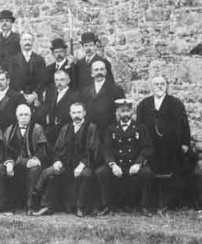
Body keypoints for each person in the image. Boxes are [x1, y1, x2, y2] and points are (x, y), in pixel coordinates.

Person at [31, 103, 99, 217]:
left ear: (84, 113)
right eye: (74, 113)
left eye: (79, 112)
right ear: (70, 114)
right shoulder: (65, 128)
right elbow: (57, 149)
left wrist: (82, 165)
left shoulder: (91, 127)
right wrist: (57, 161)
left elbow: (92, 150)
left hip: (85, 164)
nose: (76, 115)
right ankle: (46, 205)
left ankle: (81, 207)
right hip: (66, 164)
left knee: (85, 175)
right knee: (49, 173)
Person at [136, 76, 192, 210]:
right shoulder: (144, 104)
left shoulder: (176, 103)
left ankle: (168, 204)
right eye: (156, 84)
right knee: (151, 173)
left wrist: (185, 143)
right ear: (151, 87)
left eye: (162, 84)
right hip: (151, 147)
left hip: (170, 148)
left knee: (171, 173)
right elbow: (138, 125)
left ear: (167, 86)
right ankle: (151, 203)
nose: (159, 86)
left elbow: (184, 124)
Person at [96, 99, 153, 216]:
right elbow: (107, 149)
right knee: (101, 172)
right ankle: (107, 205)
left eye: (128, 111)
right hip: (118, 164)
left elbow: (147, 148)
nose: (125, 114)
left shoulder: (140, 127)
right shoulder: (111, 128)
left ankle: (144, 206)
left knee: (146, 173)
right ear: (118, 112)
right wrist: (112, 165)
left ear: (132, 112)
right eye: (123, 111)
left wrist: (138, 163)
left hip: (134, 163)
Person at [0, 105, 48, 214]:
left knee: (35, 169)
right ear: (16, 116)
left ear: (30, 115)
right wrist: (9, 162)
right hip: (14, 161)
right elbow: (5, 150)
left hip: (30, 161)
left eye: (26, 114)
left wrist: (36, 159)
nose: (23, 117)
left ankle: (31, 206)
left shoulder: (37, 128)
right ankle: (2, 205)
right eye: (21, 115)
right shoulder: (9, 130)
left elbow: (42, 149)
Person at [80, 60, 125, 135]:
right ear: (92, 73)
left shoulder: (116, 89)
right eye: (96, 70)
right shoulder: (86, 91)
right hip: (91, 131)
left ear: (106, 71)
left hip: (109, 130)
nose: (99, 72)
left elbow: (122, 110)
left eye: (102, 69)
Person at [40, 70, 79, 147]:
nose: (59, 83)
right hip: (51, 130)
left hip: (67, 130)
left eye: (62, 80)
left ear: (68, 80)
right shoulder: (50, 92)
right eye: (56, 80)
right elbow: (46, 108)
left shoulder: (74, 95)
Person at [8, 33, 47, 105]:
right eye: (25, 40)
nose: (27, 42)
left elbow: (43, 80)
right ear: (20, 42)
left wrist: (34, 95)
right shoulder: (13, 60)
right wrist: (21, 94)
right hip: (18, 97)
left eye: (29, 40)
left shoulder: (40, 59)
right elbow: (12, 79)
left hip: (36, 99)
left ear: (33, 42)